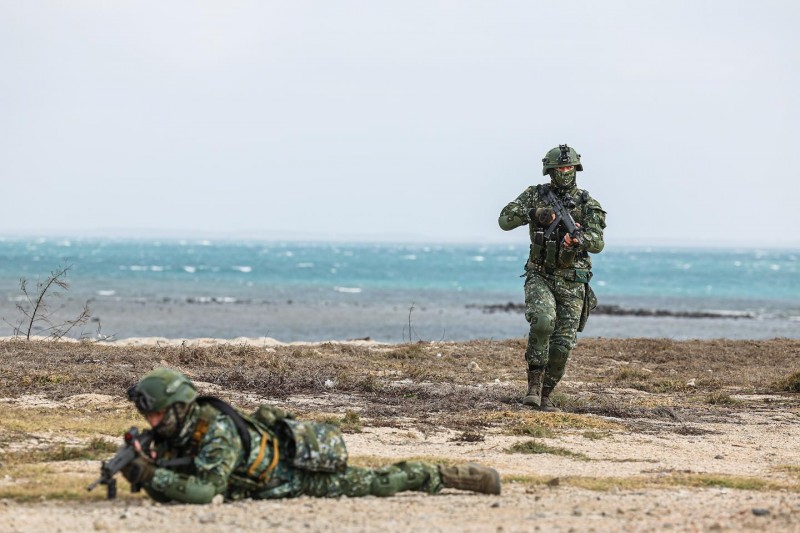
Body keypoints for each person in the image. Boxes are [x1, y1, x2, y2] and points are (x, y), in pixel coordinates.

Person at [120, 367, 501, 503]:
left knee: (379, 482)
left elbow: (205, 491)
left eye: (153, 412)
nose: (150, 420)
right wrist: (152, 468)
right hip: (259, 481)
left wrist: (153, 475)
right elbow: (183, 479)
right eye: (146, 414)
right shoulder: (183, 427)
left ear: (176, 406)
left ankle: (454, 476)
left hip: (296, 474)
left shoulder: (215, 429)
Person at [498, 144, 606, 412]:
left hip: (573, 280)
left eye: (569, 167)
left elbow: (598, 241)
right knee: (543, 322)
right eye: (559, 168)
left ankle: (546, 395)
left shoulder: (587, 203)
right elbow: (504, 220)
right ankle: (533, 388)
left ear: (576, 169)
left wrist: (579, 240)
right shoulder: (536, 195)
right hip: (541, 274)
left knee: (562, 344)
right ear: (550, 170)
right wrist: (535, 214)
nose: (565, 172)